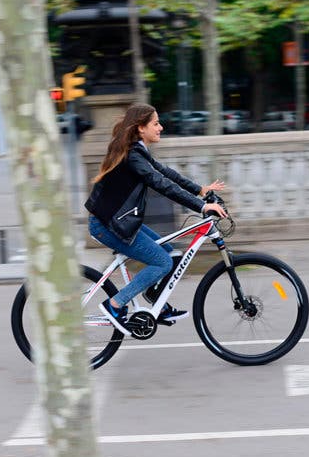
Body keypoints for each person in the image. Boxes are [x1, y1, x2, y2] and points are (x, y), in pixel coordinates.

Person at [85, 103, 228, 334]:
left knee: (172, 253)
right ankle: (115, 305)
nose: (161, 127)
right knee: (162, 262)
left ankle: (156, 299)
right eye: (156, 123)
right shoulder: (133, 156)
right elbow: (161, 184)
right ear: (141, 128)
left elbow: (166, 173)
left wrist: (199, 190)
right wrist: (202, 207)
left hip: (119, 222)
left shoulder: (137, 150)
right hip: (108, 226)